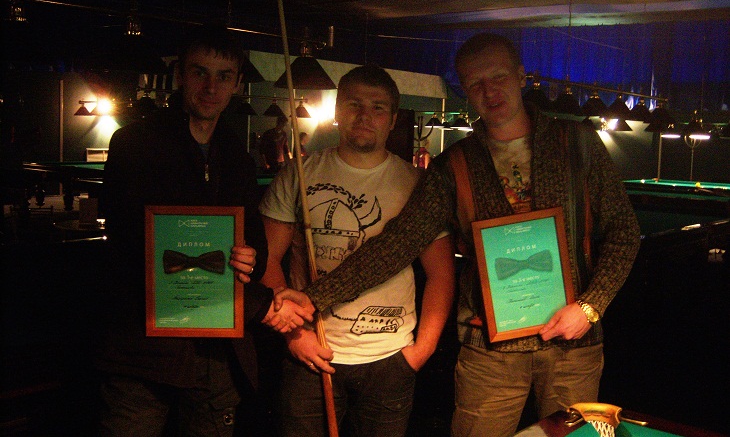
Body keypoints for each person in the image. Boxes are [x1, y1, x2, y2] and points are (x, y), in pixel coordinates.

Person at [278, 33, 641, 437]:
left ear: (521, 76)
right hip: (489, 351)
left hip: (574, 346)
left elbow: (624, 232)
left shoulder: (578, 143)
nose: (489, 91)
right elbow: (398, 244)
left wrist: (590, 307)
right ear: (465, 90)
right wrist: (314, 297)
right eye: (475, 83)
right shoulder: (453, 164)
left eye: (498, 77)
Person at [96, 24, 314, 437]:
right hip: (143, 349)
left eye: (223, 76)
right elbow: (133, 251)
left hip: (217, 350)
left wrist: (249, 256)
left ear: (236, 84)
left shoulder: (238, 157)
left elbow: (255, 248)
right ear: (181, 74)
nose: (211, 87)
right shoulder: (134, 145)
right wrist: (263, 306)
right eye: (200, 72)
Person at [258, 64, 455, 436]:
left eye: (378, 108)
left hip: (390, 359)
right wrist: (294, 336)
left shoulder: (418, 184)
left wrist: (420, 352)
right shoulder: (298, 174)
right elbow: (267, 259)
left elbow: (441, 275)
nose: (365, 116)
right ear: (337, 111)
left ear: (393, 119)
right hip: (311, 350)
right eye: (354, 104)